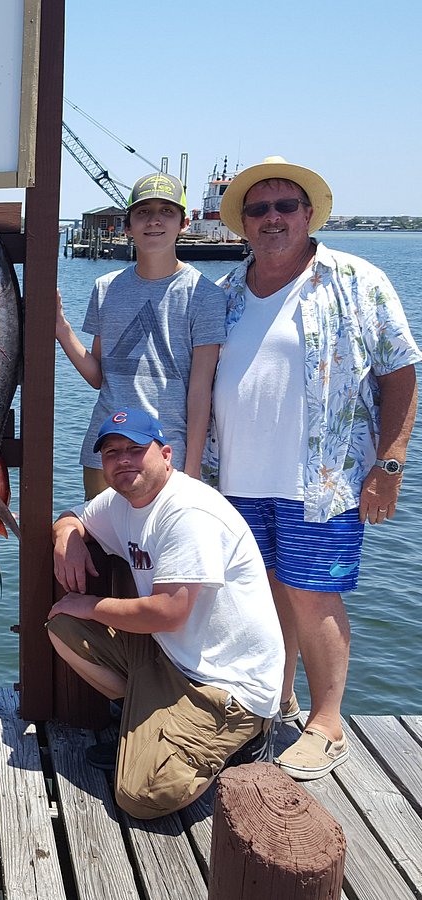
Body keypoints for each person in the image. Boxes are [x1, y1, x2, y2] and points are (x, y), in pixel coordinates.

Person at [204, 156, 421, 780]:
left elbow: (400, 372)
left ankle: (328, 725)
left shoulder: (357, 279)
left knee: (313, 595)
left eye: (285, 206)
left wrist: (391, 463)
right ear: (242, 222)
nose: (272, 218)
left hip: (320, 483)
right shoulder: (223, 294)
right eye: (258, 208)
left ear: (308, 214)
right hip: (234, 481)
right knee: (262, 596)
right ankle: (277, 700)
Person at [48, 408, 284, 819]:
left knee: (139, 796)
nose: (123, 460)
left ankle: (246, 737)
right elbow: (73, 516)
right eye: (111, 452)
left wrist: (89, 603)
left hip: (225, 685)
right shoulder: (121, 500)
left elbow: (169, 612)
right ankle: (147, 728)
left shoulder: (188, 511)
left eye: (137, 449)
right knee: (63, 625)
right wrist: (67, 536)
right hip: (171, 657)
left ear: (167, 454)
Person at [56, 173, 226, 499]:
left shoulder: (204, 295)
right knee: (103, 548)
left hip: (165, 456)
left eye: (166, 211)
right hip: (103, 450)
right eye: (143, 212)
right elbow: (99, 377)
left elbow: (200, 391)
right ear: (128, 224)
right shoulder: (105, 288)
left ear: (184, 223)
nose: (154, 220)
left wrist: (191, 472)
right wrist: (62, 329)